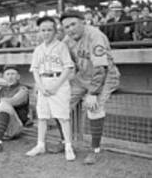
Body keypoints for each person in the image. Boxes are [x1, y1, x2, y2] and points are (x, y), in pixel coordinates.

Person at [50, 10, 120, 165]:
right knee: (60, 104)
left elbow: (101, 68)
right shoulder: (68, 40)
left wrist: (93, 93)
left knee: (93, 107)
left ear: (84, 22)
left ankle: (94, 150)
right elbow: (66, 65)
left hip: (105, 76)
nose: (70, 29)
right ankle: (65, 142)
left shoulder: (95, 36)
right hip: (83, 76)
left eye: (73, 24)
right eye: (66, 27)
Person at [25, 16, 76, 161]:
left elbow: (67, 68)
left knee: (63, 117)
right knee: (42, 117)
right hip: (43, 82)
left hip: (58, 82)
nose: (46, 33)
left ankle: (68, 146)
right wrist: (40, 86)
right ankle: (40, 145)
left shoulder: (61, 46)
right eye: (43, 30)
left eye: (49, 30)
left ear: (54, 31)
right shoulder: (38, 49)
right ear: (39, 32)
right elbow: (35, 69)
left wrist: (55, 85)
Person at [0, 65, 29, 156]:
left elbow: (14, 101)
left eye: (13, 74)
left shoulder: (23, 89)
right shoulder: (3, 89)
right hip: (1, 127)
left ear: (18, 76)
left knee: (4, 104)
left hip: (15, 127)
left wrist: (1, 102)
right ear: (4, 77)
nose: (10, 76)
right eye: (8, 74)